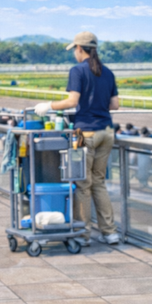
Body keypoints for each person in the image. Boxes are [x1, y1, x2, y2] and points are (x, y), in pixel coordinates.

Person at [33, 31, 120, 246]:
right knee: (99, 183)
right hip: (106, 132)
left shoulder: (78, 71)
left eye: (75, 49)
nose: (74, 53)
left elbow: (72, 101)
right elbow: (115, 105)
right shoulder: (107, 72)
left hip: (86, 134)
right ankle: (110, 233)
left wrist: (49, 106)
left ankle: (83, 234)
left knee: (82, 184)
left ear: (79, 49)